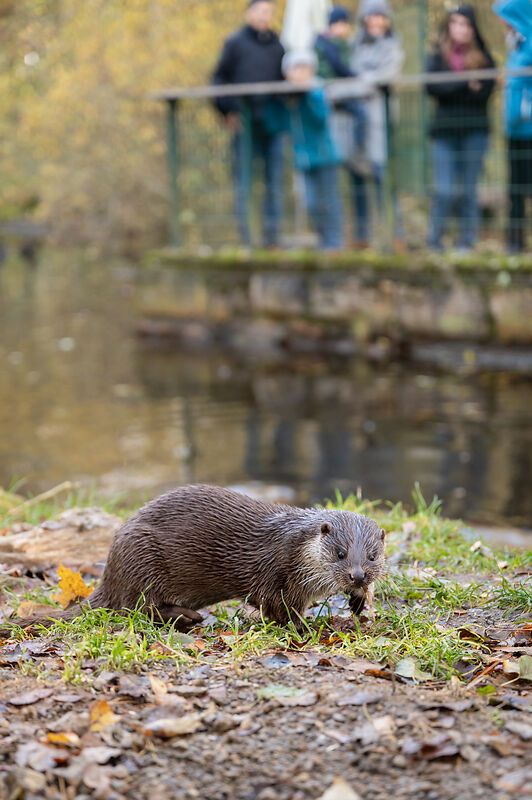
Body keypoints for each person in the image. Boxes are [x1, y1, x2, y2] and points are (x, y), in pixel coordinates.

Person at [211, 0, 285, 249]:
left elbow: (285, 80)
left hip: (272, 122)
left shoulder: (277, 44)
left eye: (269, 12)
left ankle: (272, 238)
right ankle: (247, 240)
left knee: (274, 182)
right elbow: (218, 80)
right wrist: (228, 111)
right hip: (244, 124)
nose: (265, 16)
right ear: (249, 13)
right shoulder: (235, 43)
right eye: (261, 11)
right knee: (244, 183)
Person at [425, 5, 496, 252]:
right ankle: (434, 241)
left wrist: (452, 87)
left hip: (474, 133)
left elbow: (484, 92)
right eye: (455, 22)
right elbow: (433, 88)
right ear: (448, 26)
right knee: (444, 190)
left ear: (473, 28)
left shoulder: (484, 58)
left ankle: (466, 242)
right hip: (444, 133)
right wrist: (466, 83)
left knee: (468, 190)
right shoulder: (437, 56)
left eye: (465, 24)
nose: (460, 28)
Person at [272, 50, 344, 250]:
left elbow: (320, 118)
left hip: (325, 156)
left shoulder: (318, 92)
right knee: (310, 203)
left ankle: (334, 243)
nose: (301, 73)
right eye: (296, 68)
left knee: (329, 202)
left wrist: (306, 97)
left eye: (305, 68)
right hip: (302, 158)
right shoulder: (287, 98)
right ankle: (323, 240)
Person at [348, 0, 405, 249]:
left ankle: (395, 233)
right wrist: (363, 83)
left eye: (380, 17)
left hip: (382, 122)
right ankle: (361, 236)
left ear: (387, 20)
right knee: (357, 178)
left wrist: (359, 82)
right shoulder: (353, 47)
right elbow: (344, 75)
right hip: (355, 122)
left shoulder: (393, 47)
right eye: (371, 17)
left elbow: (387, 75)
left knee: (384, 178)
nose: (375, 22)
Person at [493, 0, 532, 253]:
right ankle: (514, 242)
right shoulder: (515, 45)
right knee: (515, 189)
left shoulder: (527, 46)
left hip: (529, 130)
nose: (503, 24)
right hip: (514, 130)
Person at [315, 5, 369, 173]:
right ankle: (353, 153)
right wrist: (356, 77)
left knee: (358, 115)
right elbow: (338, 66)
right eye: (343, 24)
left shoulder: (340, 44)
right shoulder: (326, 44)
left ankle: (356, 153)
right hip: (331, 92)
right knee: (359, 114)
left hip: (339, 91)